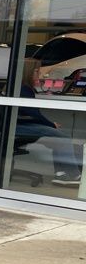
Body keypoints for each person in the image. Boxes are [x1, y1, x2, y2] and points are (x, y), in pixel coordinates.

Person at [17, 58, 82, 186]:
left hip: (19, 124)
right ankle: (73, 175)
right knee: (62, 137)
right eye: (37, 71)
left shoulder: (21, 87)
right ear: (28, 72)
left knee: (57, 138)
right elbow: (33, 114)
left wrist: (50, 124)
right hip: (20, 126)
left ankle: (61, 174)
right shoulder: (24, 89)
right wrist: (51, 124)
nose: (39, 75)